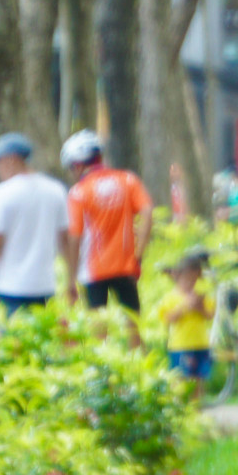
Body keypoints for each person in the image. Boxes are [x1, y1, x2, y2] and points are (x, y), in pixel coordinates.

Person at [62, 129, 152, 338]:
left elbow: (75, 237)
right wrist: (138, 254)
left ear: (77, 165)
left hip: (93, 270)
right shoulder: (128, 180)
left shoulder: (78, 192)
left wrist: (70, 278)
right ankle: (137, 367)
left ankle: (103, 368)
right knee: (133, 326)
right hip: (126, 265)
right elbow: (147, 213)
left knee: (98, 329)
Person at [0, 132, 71, 314]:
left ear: (12, 160)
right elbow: (65, 241)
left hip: (11, 288)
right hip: (45, 287)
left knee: (13, 340)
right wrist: (72, 281)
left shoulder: (2, 193)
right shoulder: (55, 190)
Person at [153, 248, 215, 391]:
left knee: (199, 379)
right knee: (180, 381)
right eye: (187, 280)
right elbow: (167, 318)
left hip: (201, 343)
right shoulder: (170, 297)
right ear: (178, 277)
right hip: (180, 346)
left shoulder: (201, 296)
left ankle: (197, 407)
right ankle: (183, 408)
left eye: (194, 280)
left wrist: (199, 307)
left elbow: (210, 315)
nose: (191, 283)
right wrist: (184, 306)